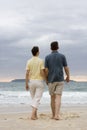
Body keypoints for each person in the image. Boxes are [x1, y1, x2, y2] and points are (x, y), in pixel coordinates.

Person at [45, 41, 70, 120]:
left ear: (50, 48)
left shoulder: (47, 57)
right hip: (60, 79)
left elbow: (46, 70)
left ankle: (53, 115)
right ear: (58, 47)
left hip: (51, 80)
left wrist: (46, 79)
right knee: (58, 97)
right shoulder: (62, 56)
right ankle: (57, 115)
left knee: (52, 98)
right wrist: (68, 76)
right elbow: (66, 67)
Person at [25, 46, 45, 120]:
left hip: (31, 82)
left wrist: (26, 83)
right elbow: (42, 71)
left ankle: (35, 115)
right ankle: (33, 115)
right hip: (39, 81)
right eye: (39, 51)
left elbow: (27, 73)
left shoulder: (29, 61)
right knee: (37, 99)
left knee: (34, 99)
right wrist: (45, 79)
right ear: (37, 52)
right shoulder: (41, 61)